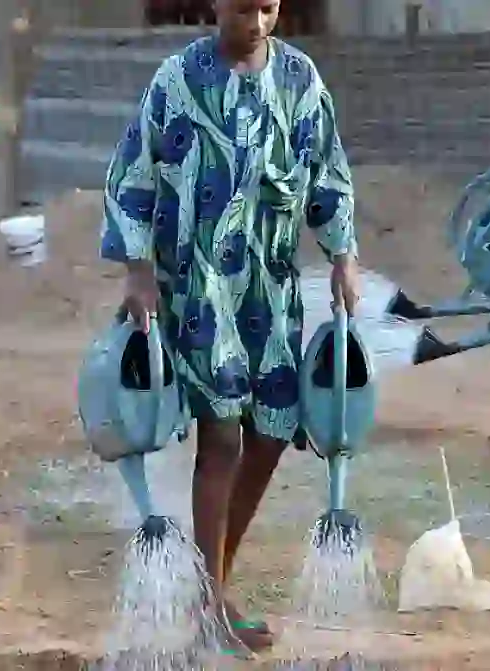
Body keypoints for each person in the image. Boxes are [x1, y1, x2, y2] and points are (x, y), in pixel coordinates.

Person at [98, 0, 360, 651]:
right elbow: (132, 175)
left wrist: (344, 256)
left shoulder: (301, 82)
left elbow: (328, 173)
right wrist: (138, 271)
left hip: (269, 290)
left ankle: (209, 583)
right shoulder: (177, 82)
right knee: (221, 437)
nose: (258, 22)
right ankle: (213, 603)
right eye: (245, 9)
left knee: (272, 431)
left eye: (268, 9)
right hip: (199, 287)